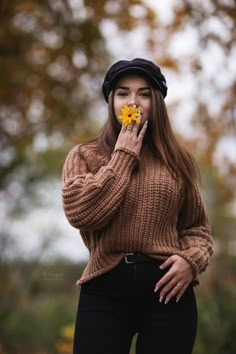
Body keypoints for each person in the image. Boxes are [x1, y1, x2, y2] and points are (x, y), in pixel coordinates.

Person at [62, 58, 214, 354]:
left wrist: (190, 259)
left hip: (168, 292)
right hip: (104, 291)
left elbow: (198, 230)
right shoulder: (84, 156)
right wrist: (123, 156)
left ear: (156, 102)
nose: (133, 101)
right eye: (123, 93)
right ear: (111, 101)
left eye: (144, 93)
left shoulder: (178, 161)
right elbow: (82, 213)